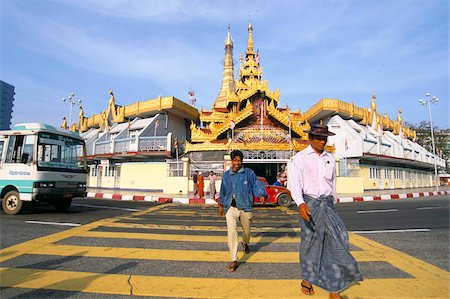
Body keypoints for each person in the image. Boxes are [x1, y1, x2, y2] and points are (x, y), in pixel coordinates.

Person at [289, 123, 362, 299]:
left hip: (328, 205)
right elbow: (294, 184)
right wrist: (300, 204)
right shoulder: (299, 158)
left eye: (325, 138)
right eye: (319, 138)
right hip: (310, 204)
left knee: (338, 240)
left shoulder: (330, 157)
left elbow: (332, 183)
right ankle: (307, 278)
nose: (322, 141)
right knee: (311, 244)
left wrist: (333, 202)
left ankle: (333, 288)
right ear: (310, 138)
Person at [218, 150, 267, 272]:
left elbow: (256, 185)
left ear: (242, 161)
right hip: (230, 207)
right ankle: (234, 259)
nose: (237, 163)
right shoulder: (226, 175)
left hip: (245, 207)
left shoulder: (249, 173)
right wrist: (220, 205)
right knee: (232, 233)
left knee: (247, 232)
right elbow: (222, 190)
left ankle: (245, 243)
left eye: (239, 160)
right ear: (231, 161)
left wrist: (261, 195)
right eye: (234, 160)